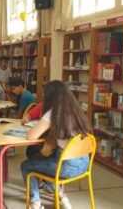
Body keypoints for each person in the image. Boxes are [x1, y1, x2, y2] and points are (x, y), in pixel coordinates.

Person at [21, 80, 92, 209]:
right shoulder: (76, 110)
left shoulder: (53, 113)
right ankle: (62, 198)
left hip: (66, 167)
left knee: (27, 166)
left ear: (49, 97)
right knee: (44, 163)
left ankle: (35, 202)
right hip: (84, 164)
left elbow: (30, 136)